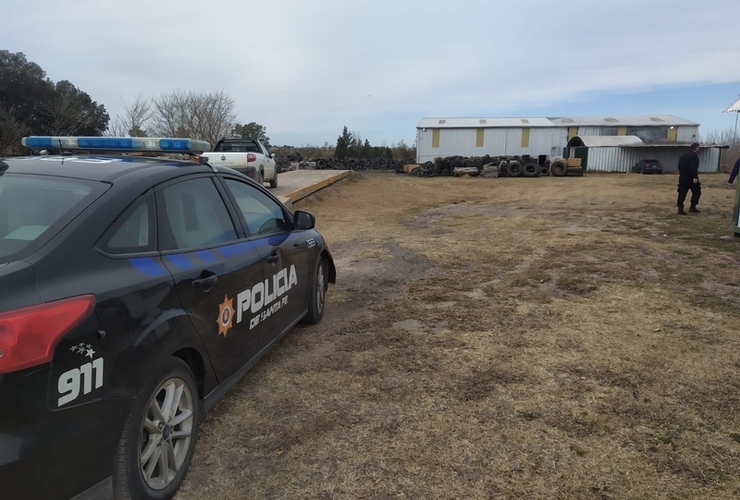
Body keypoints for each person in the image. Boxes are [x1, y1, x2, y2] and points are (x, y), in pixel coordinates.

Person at [676, 143, 701, 215]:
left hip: (682, 177)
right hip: (691, 178)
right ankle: (693, 206)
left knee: (682, 193)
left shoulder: (682, 156)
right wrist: (695, 177)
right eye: (698, 147)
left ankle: (680, 208)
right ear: (695, 148)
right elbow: (693, 168)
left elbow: (679, 166)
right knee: (697, 191)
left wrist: (682, 173)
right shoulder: (694, 156)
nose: (699, 149)